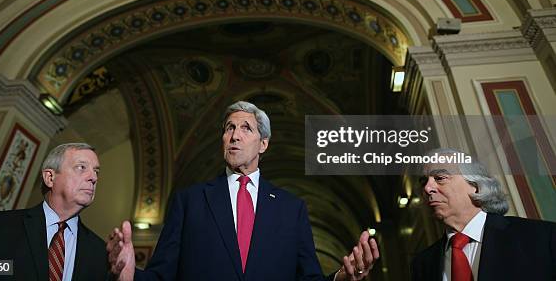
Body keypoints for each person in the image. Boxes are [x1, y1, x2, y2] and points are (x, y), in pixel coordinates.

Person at [108, 101, 379, 281]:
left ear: (263, 144)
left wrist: (341, 276)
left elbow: (308, 278)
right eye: (229, 128)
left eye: (245, 128)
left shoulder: (290, 208)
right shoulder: (189, 201)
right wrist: (131, 274)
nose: (235, 135)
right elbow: (162, 276)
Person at [0, 143, 108, 281]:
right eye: (81, 167)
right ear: (50, 178)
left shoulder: (101, 253)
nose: (93, 177)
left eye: (96, 171)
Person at [411, 148, 556, 280]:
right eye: (424, 181)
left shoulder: (542, 236)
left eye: (440, 178)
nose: (427, 188)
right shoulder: (423, 263)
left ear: (475, 185)